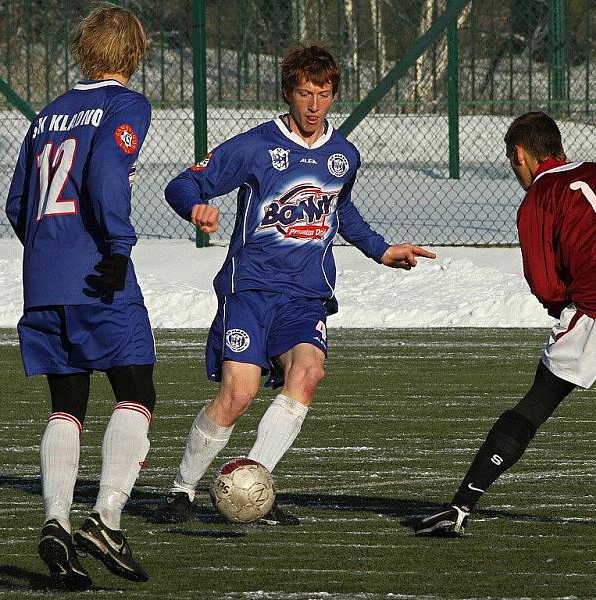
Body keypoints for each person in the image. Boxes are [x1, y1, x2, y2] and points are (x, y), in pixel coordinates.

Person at [156, 44, 436, 525]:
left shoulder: (343, 155)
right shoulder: (255, 146)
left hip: (305, 296)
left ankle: (253, 484)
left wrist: (380, 248)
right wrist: (195, 207)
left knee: (307, 375)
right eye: (305, 93)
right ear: (288, 93)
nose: (313, 106)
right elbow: (183, 183)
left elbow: (340, 208)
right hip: (251, 292)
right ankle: (182, 489)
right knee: (238, 394)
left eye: (324, 95)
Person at [413, 111, 596, 537]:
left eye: (513, 161)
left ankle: (458, 509)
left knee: (538, 400)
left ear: (520, 154)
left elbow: (544, 282)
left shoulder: (540, 196)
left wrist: (570, 302)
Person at [5, 5, 155, 589]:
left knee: (66, 403)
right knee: (135, 388)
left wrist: (50, 248)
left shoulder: (46, 115)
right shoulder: (126, 105)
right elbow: (103, 177)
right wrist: (116, 245)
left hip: (43, 274)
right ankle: (108, 519)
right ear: (135, 52)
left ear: (82, 50)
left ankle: (55, 521)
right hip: (97, 271)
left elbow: (19, 203)